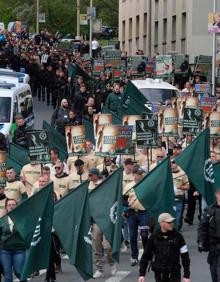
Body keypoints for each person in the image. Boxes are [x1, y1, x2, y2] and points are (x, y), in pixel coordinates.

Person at [138, 213, 190, 282]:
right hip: (160, 273)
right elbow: (146, 256)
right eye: (168, 222)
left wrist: (186, 275)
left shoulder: (178, 236)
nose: (171, 224)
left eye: (172, 222)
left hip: (174, 273)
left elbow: (185, 256)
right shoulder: (154, 237)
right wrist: (142, 274)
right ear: (161, 223)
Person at [123, 166, 149, 266]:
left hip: (144, 212)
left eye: (141, 173)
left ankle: (147, 255)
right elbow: (123, 199)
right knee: (133, 236)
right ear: (133, 175)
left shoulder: (146, 184)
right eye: (138, 173)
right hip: (132, 213)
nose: (140, 175)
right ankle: (134, 257)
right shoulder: (128, 186)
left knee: (144, 235)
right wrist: (127, 204)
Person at [0, 198, 27, 282]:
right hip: (5, 250)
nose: (11, 206)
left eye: (13, 205)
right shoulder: (2, 220)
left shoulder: (22, 219)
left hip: (19, 249)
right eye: (9, 205)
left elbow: (27, 232)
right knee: (7, 273)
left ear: (17, 206)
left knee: (18, 271)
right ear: (6, 207)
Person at [198, 183, 220, 282]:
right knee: (214, 273)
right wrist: (201, 241)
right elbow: (202, 227)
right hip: (213, 247)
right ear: (216, 195)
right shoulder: (209, 211)